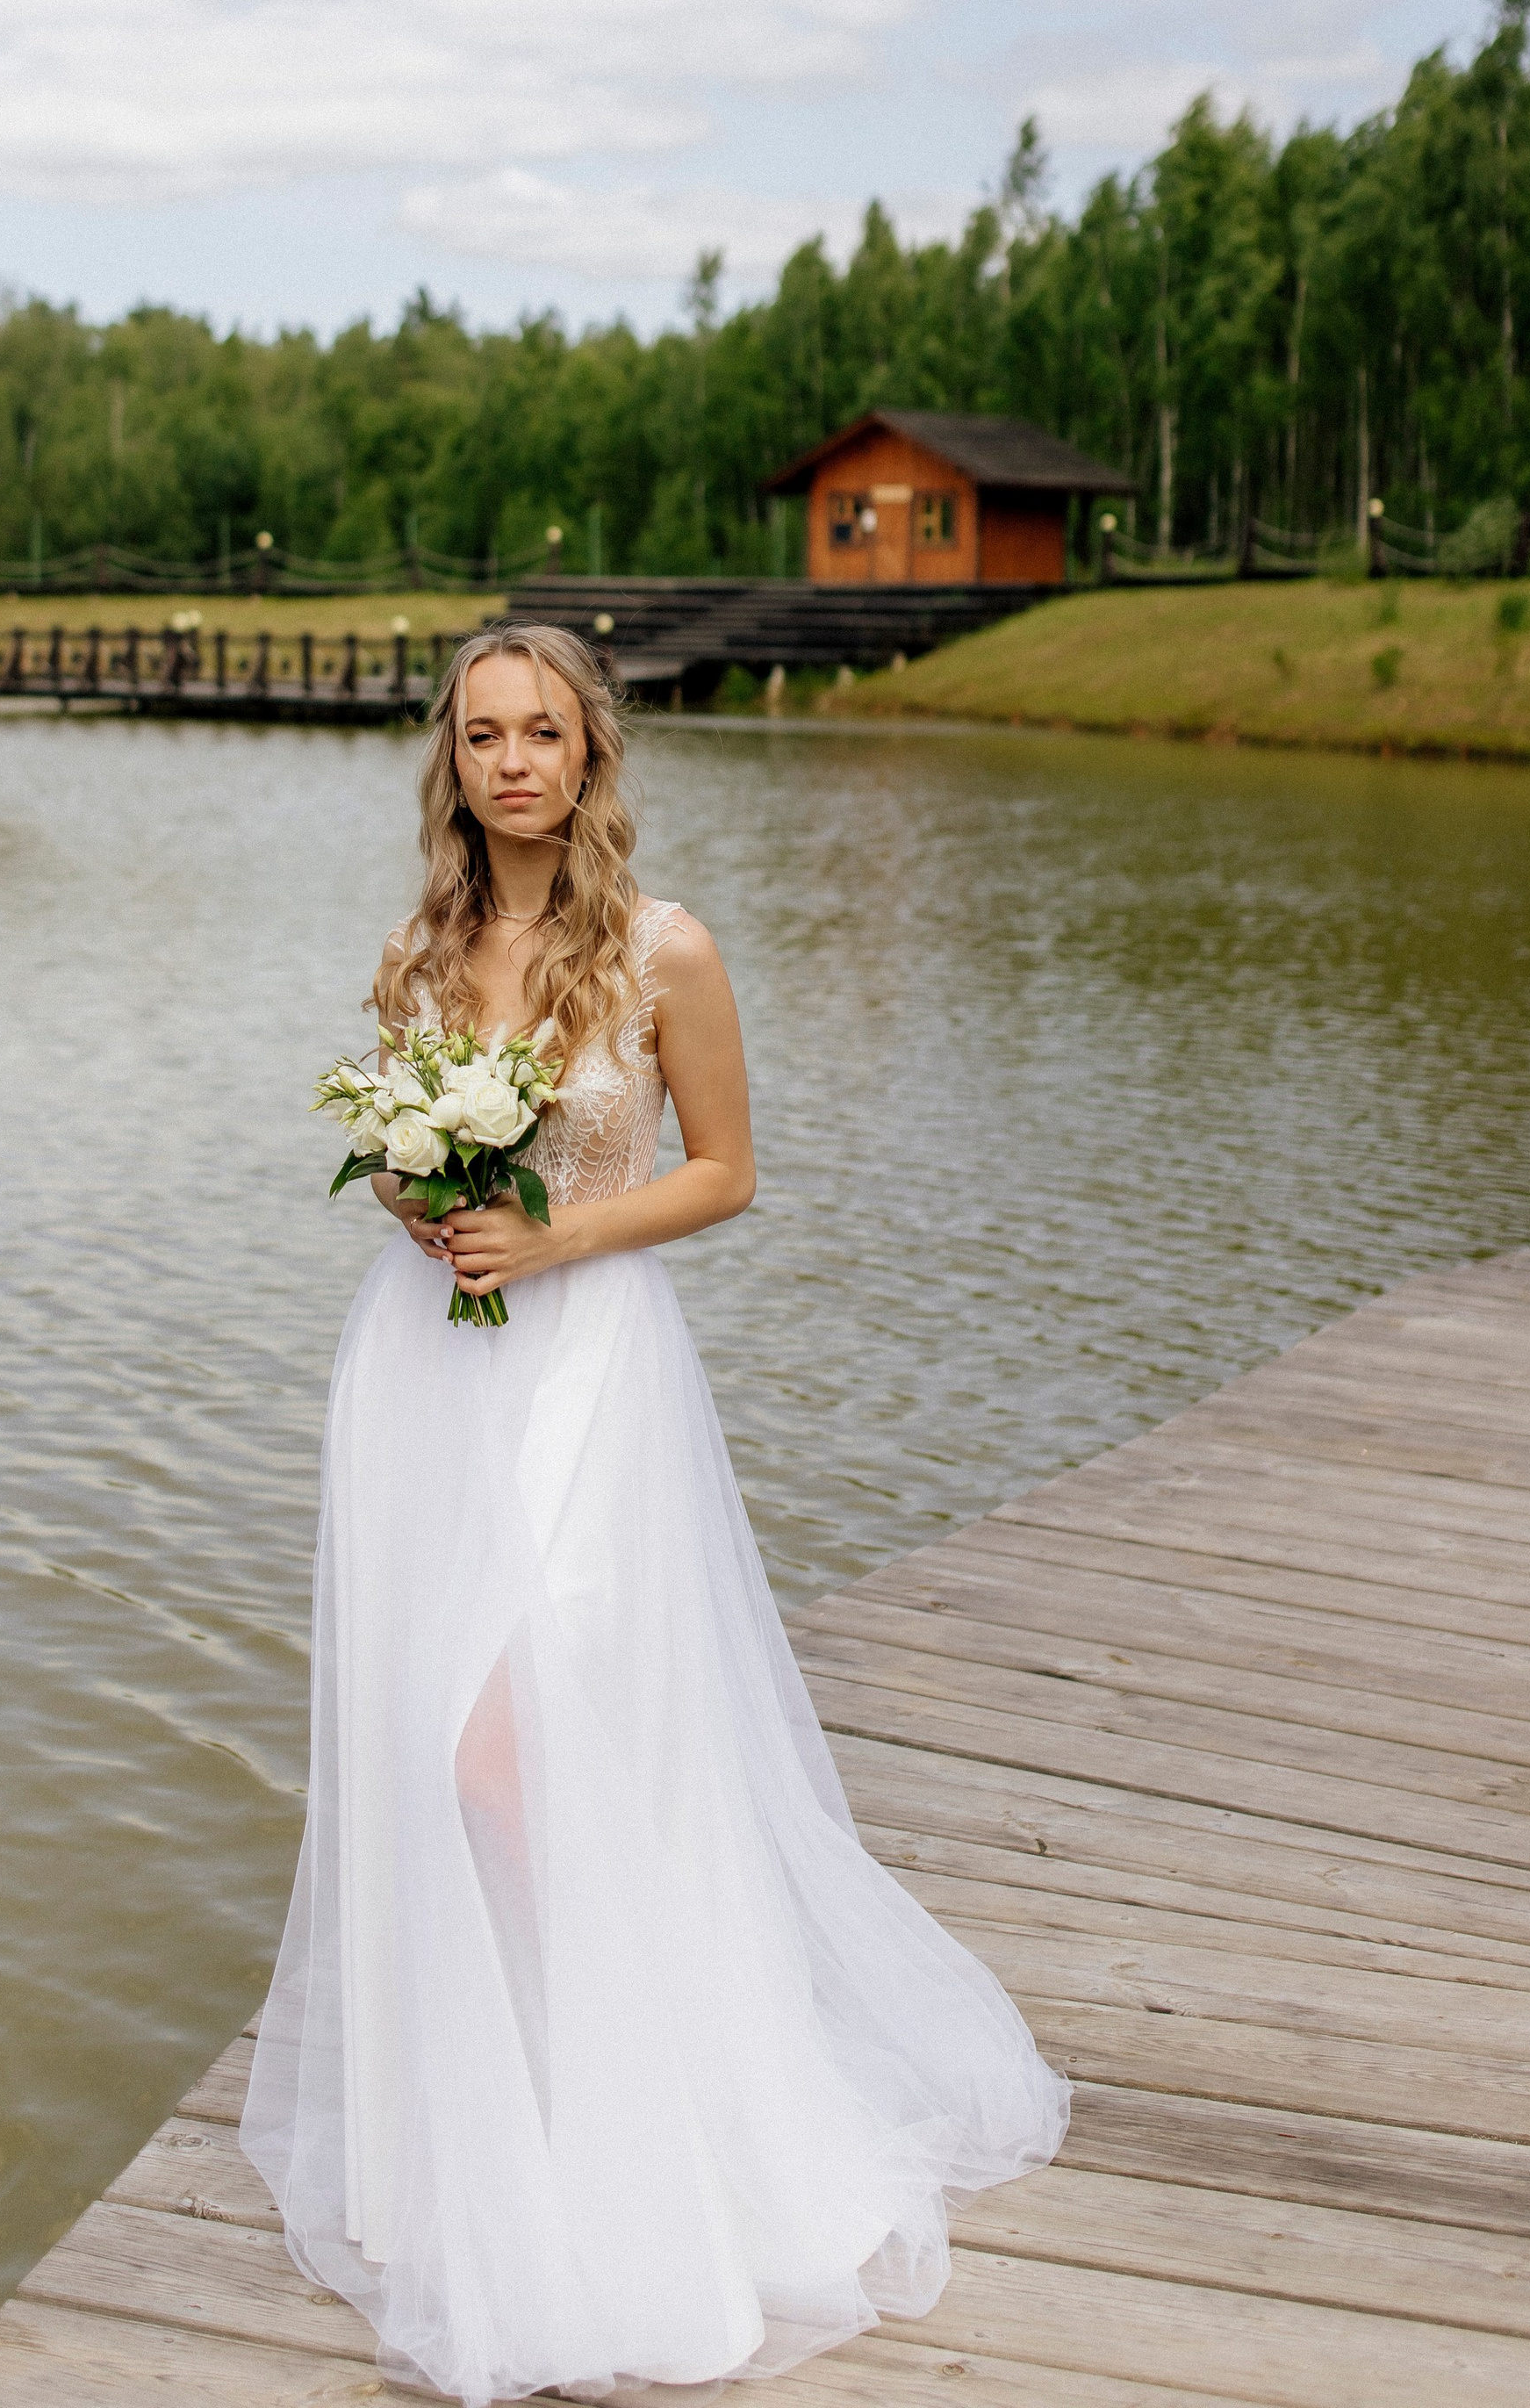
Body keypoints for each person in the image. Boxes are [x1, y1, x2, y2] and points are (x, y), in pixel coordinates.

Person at [242, 626, 1067, 2404]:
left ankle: (629, 2083)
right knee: (430, 1738)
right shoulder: (426, 944)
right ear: (449, 760)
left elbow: (725, 1172)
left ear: (590, 752)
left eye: (541, 730)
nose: (511, 759)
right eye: (481, 733)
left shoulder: (661, 945)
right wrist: (410, 1185)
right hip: (424, 1373)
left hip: (583, 1371)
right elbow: (406, 1150)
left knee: (520, 1743)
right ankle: (489, 2084)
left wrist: (550, 1237)